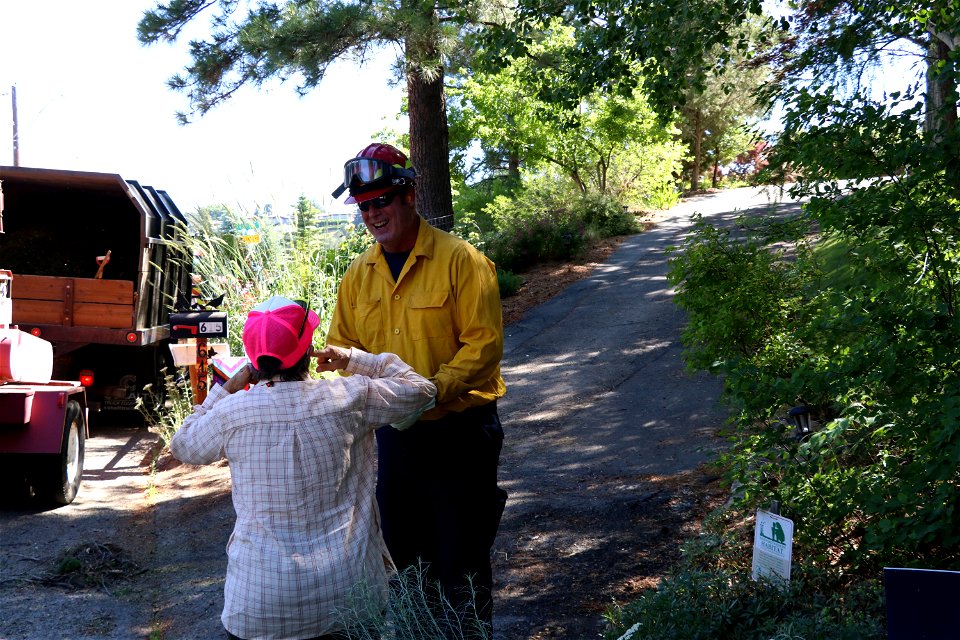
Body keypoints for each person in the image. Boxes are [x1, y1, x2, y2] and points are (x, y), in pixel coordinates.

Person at [170, 295, 437, 640]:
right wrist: (354, 360)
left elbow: (183, 444)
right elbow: (422, 389)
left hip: (259, 602)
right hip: (349, 596)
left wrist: (225, 390)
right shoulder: (350, 398)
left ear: (253, 359)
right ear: (307, 347)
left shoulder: (232, 414)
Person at [327, 142, 508, 634]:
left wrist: (431, 390)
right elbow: (340, 350)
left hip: (460, 433)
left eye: (381, 201)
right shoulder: (357, 276)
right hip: (396, 440)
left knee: (462, 563)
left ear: (408, 194)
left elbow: (483, 346)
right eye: (363, 206)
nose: (372, 214)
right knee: (407, 565)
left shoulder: (463, 261)